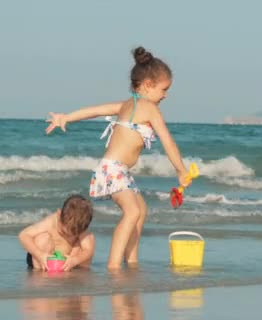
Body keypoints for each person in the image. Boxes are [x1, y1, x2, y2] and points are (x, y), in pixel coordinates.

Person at [45, 46, 191, 269]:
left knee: (141, 210)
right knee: (132, 212)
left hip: (118, 170)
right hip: (113, 169)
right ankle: (114, 266)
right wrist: (181, 171)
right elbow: (168, 141)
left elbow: (94, 110)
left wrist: (66, 117)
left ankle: (131, 260)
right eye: (164, 89)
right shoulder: (149, 109)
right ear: (148, 85)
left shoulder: (126, 105)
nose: (166, 95)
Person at [18, 194, 96, 271]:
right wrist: (39, 255)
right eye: (63, 232)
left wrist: (75, 260)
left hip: (69, 262)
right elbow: (23, 235)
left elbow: (88, 250)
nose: (68, 236)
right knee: (42, 239)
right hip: (45, 259)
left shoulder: (79, 227)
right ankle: (40, 274)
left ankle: (77, 276)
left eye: (73, 234)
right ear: (59, 214)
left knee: (88, 242)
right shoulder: (51, 222)